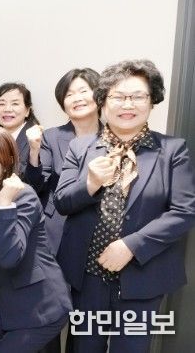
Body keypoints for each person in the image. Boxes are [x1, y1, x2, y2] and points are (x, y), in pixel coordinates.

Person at [54, 59, 195, 353]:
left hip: (144, 275)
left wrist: (131, 245)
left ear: (152, 101)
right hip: (88, 277)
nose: (127, 104)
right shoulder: (81, 147)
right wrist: (90, 183)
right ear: (103, 101)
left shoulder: (172, 150)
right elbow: (62, 201)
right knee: (84, 347)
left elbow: (184, 211)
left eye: (138, 96)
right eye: (118, 96)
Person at [0, 126, 71, 353]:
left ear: (8, 161)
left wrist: (5, 205)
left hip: (39, 305)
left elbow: (10, 257)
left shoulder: (23, 195)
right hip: (1, 299)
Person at [24, 68, 101, 254]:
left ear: (99, 95)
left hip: (98, 227)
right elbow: (37, 184)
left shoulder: (114, 138)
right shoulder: (51, 136)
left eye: (83, 91)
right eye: (69, 94)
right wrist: (34, 151)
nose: (77, 98)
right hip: (56, 227)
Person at [0, 82, 40, 177]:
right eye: (2, 104)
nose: (7, 109)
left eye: (15, 104)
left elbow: (38, 181)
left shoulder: (39, 139)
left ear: (27, 111)